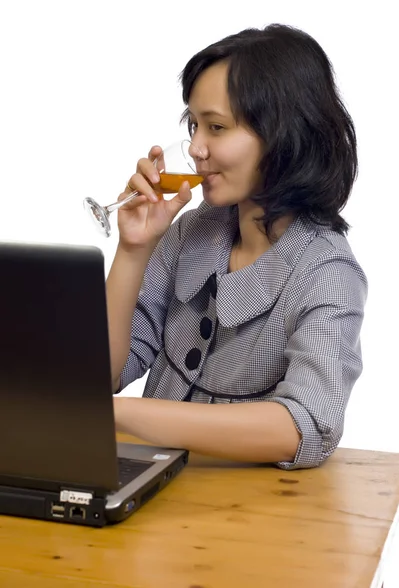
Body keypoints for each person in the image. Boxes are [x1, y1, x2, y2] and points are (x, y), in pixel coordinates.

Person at [109, 23, 367, 470]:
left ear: (284, 135)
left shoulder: (326, 270)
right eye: (194, 125)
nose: (195, 148)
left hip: (249, 520)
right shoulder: (192, 232)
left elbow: (305, 424)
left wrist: (121, 417)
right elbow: (102, 375)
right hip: (147, 493)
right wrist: (132, 250)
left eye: (217, 127)